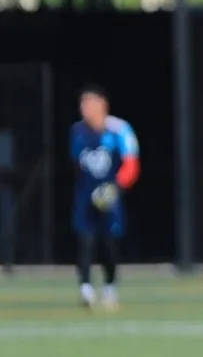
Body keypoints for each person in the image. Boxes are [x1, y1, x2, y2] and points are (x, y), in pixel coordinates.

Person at [69, 84, 140, 310]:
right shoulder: (77, 131)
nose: (85, 108)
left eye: (90, 103)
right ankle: (86, 289)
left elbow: (131, 165)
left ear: (102, 104)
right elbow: (76, 163)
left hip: (110, 195)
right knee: (85, 240)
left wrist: (114, 188)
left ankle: (110, 287)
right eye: (83, 103)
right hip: (85, 194)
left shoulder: (120, 129)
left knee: (109, 243)